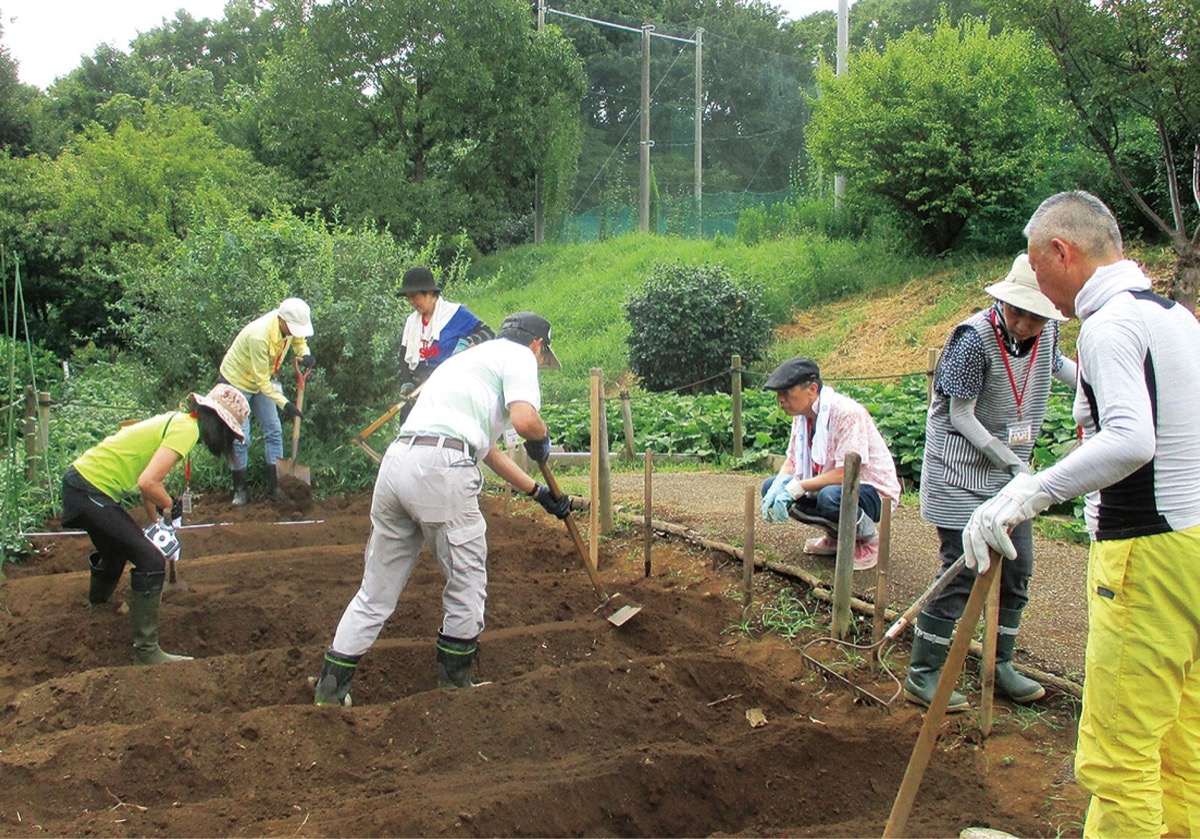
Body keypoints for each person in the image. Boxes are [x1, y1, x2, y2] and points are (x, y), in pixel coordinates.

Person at [963, 191, 1200, 838]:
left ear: (1061, 252)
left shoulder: (1109, 325)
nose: (1038, 290)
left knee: (1118, 753)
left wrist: (1027, 493)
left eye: (1036, 270)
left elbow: (1131, 440)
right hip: (1193, 543)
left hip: (1144, 557)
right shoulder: (1175, 315)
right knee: (1182, 743)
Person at [313, 311, 571, 706]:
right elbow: (524, 419)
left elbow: (485, 448)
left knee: (375, 591)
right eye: (542, 356)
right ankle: (454, 689)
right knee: (466, 581)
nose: (538, 363)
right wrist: (542, 437)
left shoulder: (467, 363)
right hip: (441, 471)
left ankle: (331, 687)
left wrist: (536, 491)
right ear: (536, 345)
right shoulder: (518, 356)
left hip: (398, 463)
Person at [905, 254, 1077, 712]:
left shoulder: (1047, 330)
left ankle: (999, 665)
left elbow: (1058, 364)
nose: (1024, 323)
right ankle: (924, 674)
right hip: (961, 474)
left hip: (1010, 476)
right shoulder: (971, 340)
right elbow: (960, 415)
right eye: (1017, 311)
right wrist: (1013, 463)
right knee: (961, 570)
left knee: (1017, 569)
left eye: (1035, 315)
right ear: (1003, 301)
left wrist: (1103, 385)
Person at [60, 384, 250, 665]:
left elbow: (147, 480)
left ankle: (97, 607)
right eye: (230, 435)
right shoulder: (187, 431)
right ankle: (147, 652)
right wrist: (169, 504)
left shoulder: (179, 422)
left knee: (115, 550)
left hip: (81, 483)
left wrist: (156, 518)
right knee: (150, 559)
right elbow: (148, 482)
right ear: (220, 425)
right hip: (89, 489)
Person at [760, 357, 901, 571]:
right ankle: (837, 536)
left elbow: (847, 474)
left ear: (812, 389)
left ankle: (870, 539)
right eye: (778, 394)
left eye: (786, 392)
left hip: (872, 491)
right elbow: (792, 460)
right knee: (770, 487)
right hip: (830, 488)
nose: (780, 399)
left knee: (831, 498)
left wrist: (798, 486)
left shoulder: (847, 414)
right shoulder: (802, 417)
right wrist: (781, 483)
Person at [218, 297, 315, 505]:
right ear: (281, 320)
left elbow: (299, 340)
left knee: (274, 430)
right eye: (293, 327)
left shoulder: (288, 328)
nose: (295, 332)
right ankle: (241, 490)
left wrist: (305, 354)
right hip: (237, 382)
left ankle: (275, 487)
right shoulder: (259, 336)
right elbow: (262, 381)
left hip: (261, 381)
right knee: (241, 436)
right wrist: (286, 404)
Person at [396, 266, 494, 400]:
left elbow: (488, 333)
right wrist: (406, 382)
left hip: (449, 388)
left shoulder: (456, 314)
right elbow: (403, 357)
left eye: (414, 296)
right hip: (418, 392)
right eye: (408, 298)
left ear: (429, 292)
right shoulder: (412, 321)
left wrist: (469, 341)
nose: (411, 302)